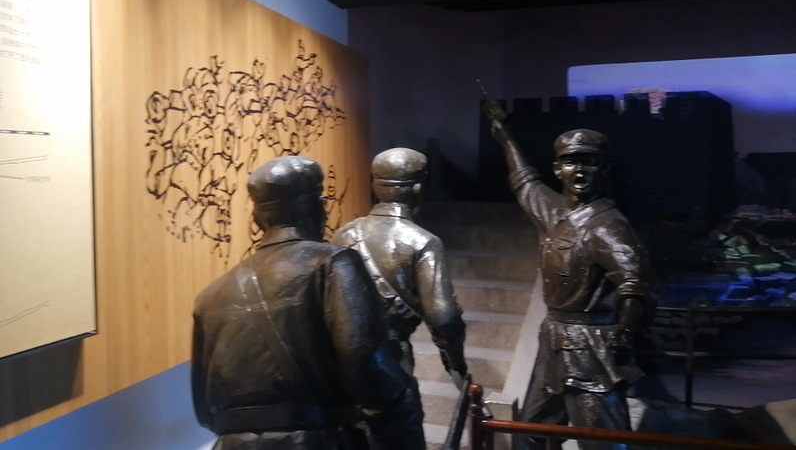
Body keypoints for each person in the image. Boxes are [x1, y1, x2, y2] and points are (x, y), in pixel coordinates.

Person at [191, 155, 426, 450]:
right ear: (319, 209)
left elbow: (205, 411)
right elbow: (369, 366)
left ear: (257, 218)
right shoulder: (333, 263)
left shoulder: (209, 297)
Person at [484, 101, 655, 450]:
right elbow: (524, 181)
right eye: (570, 162)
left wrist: (622, 340)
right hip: (555, 343)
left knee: (603, 442)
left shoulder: (607, 226)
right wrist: (505, 137)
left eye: (588, 162)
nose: (579, 170)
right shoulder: (556, 213)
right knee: (533, 432)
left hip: (591, 351)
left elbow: (636, 285)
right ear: (558, 169)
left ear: (603, 168)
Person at [333, 147, 468, 386]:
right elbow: (444, 319)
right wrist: (457, 365)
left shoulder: (344, 234)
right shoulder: (423, 243)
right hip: (392, 360)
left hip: (344, 359)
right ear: (418, 189)